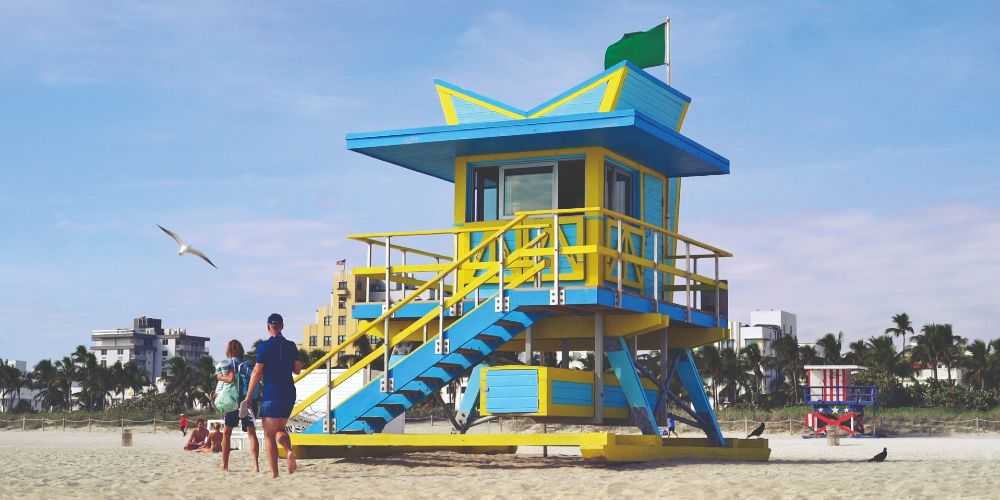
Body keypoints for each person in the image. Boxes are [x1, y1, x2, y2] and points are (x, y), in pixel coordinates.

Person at [242, 313, 302, 478]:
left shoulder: (264, 347)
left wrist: (248, 396)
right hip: (289, 393)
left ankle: (275, 474)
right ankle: (289, 451)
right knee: (280, 429)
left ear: (268, 327)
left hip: (271, 393)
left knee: (269, 434)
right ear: (282, 326)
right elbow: (297, 370)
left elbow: (257, 371)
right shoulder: (291, 346)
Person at [217, 339, 260, 472]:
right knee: (252, 433)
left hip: (233, 401)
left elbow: (229, 379)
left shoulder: (228, 363)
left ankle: (225, 465)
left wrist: (219, 377)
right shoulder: (247, 364)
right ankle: (255, 465)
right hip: (247, 401)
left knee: (227, 433)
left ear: (229, 351)